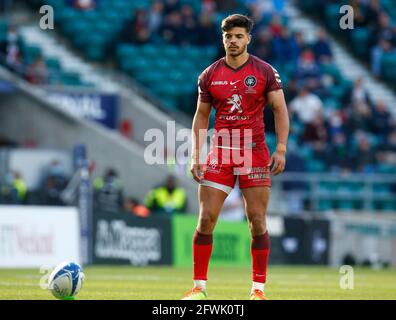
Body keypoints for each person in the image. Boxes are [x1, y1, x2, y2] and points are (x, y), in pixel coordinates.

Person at [183, 14, 289, 300]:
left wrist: (280, 148)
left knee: (256, 220)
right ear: (223, 39)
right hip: (221, 151)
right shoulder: (209, 75)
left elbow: (279, 109)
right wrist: (196, 154)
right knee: (206, 219)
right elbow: (201, 115)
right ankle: (199, 288)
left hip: (254, 152)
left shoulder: (265, 72)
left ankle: (257, 291)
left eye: (239, 36)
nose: (233, 41)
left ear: (248, 39)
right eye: (228, 36)